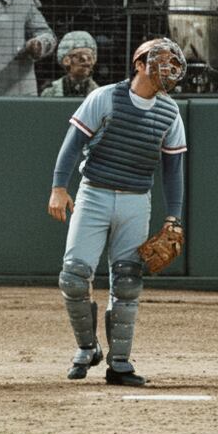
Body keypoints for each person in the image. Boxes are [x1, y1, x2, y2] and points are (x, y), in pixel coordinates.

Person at [47, 37, 188, 386]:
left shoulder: (170, 111)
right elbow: (73, 143)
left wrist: (174, 216)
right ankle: (87, 347)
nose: (168, 69)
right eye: (160, 61)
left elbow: (174, 169)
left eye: (173, 63)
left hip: (136, 199)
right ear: (139, 64)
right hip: (93, 193)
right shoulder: (106, 96)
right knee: (74, 276)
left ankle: (120, 362)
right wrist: (59, 188)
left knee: (127, 281)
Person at [40, 29, 99, 97]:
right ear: (66, 60)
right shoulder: (50, 93)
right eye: (80, 57)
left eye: (89, 57)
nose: (86, 61)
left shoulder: (100, 95)